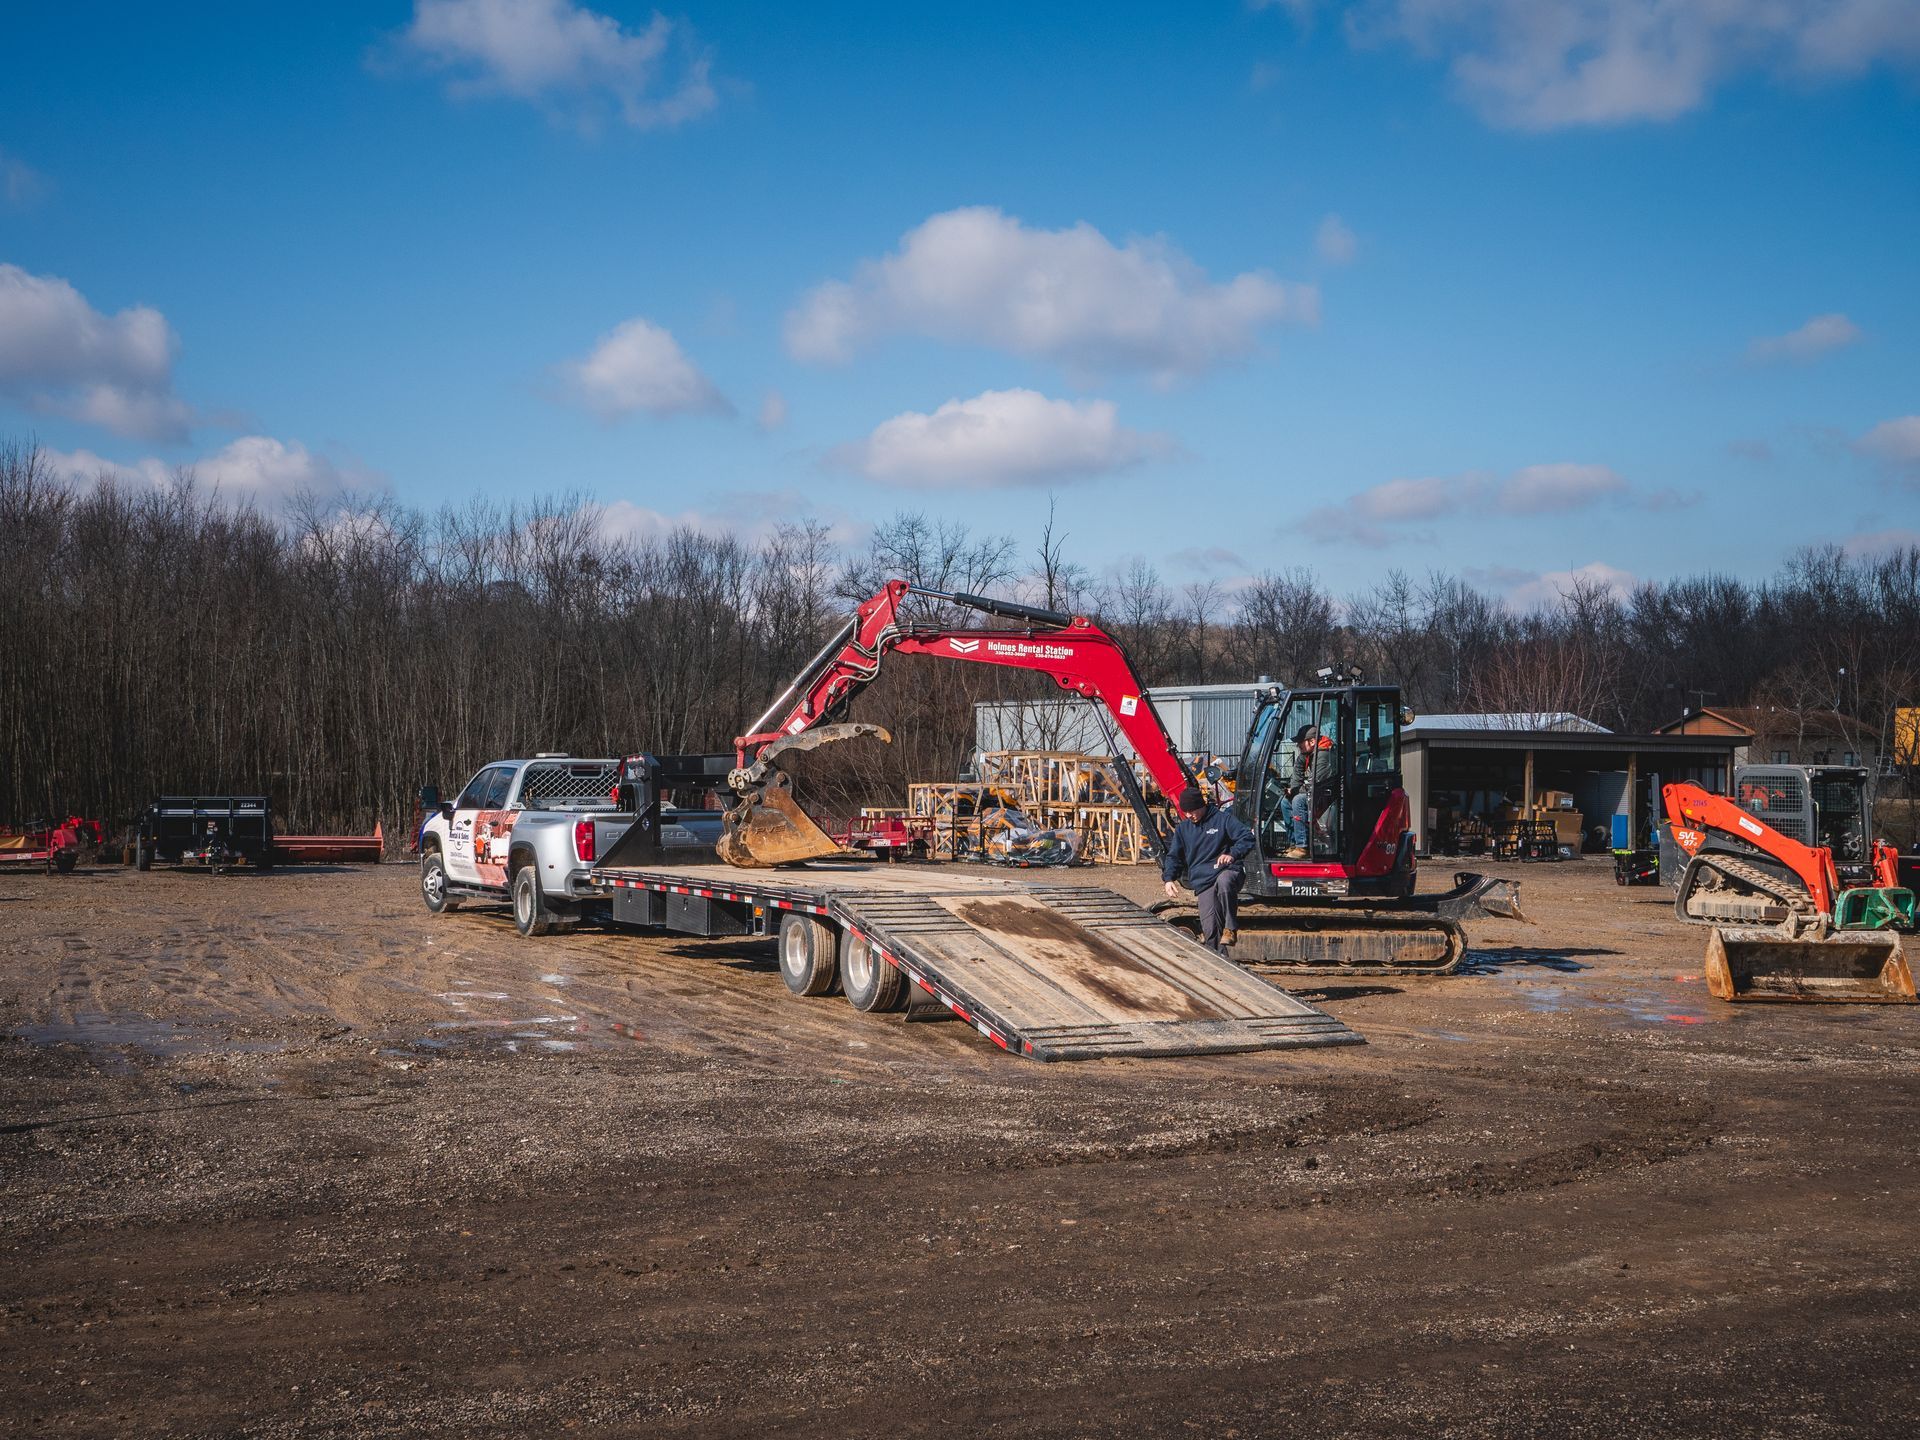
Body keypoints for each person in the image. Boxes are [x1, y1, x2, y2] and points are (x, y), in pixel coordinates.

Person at [1161, 785, 1255, 954]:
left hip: (1228, 870)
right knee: (1210, 928)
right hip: (1204, 881)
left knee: (1224, 881)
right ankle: (1220, 965)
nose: (1189, 815)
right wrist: (1169, 879)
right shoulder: (1184, 829)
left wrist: (1232, 854)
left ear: (1201, 805)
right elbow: (1174, 856)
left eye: (1193, 811)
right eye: (1186, 812)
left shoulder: (1222, 820)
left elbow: (1247, 837)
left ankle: (1230, 927)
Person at [1285, 724, 1338, 858]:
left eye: (1300, 743)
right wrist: (1293, 789)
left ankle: (1302, 847)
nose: (1298, 746)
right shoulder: (1308, 754)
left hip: (1329, 795)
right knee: (1286, 802)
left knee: (1298, 800)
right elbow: (1297, 773)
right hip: (1316, 792)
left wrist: (1296, 792)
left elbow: (1317, 783)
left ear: (1312, 742)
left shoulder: (1324, 754)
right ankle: (1293, 842)